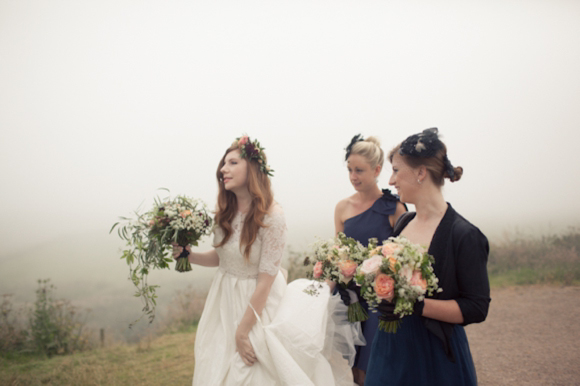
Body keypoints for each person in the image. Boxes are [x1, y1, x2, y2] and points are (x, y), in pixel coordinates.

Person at [173, 135, 356, 386]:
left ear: (253, 169)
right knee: (216, 367)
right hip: (223, 301)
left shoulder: (272, 217)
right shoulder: (224, 213)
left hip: (257, 306)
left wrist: (242, 331)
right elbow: (224, 258)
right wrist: (189, 255)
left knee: (250, 374)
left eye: (232, 163)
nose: (223, 169)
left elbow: (265, 283)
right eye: (223, 164)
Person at [365, 128, 491, 386]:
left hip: (434, 357)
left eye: (397, 171)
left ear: (421, 173)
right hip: (390, 348)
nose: (391, 181)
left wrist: (418, 306)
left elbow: (476, 308)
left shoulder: (464, 234)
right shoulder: (403, 222)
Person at [334, 135, 406, 386]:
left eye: (360, 170)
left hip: (380, 301)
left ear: (377, 170)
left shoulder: (395, 208)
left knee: (371, 368)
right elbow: (338, 254)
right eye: (350, 170)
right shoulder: (342, 208)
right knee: (348, 369)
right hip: (349, 299)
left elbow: (404, 259)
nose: (353, 176)